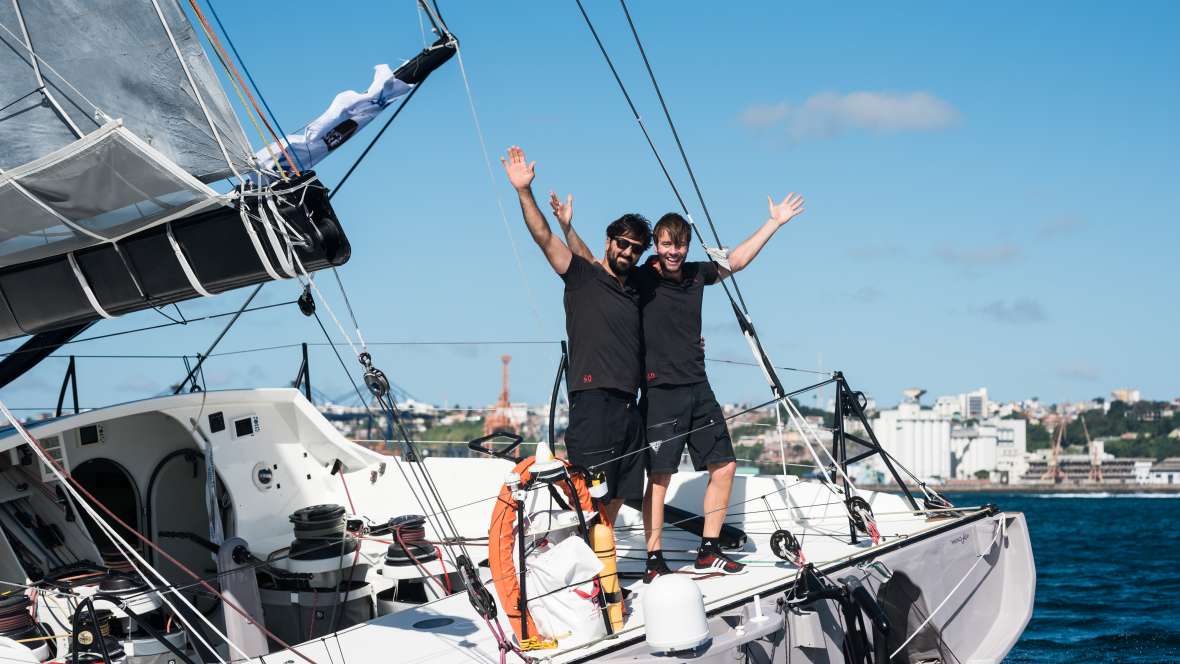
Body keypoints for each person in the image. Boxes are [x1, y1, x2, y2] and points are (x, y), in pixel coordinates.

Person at [556, 193, 805, 580]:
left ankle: (708, 550)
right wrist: (567, 228)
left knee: (724, 466)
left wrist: (774, 222)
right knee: (659, 476)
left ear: (687, 246)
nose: (674, 252)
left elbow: (736, 261)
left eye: (680, 245)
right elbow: (592, 264)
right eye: (667, 244)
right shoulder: (641, 276)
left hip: (698, 386)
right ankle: (654, 559)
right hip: (659, 392)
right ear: (656, 246)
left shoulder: (695, 274)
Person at [500, 146, 651, 524]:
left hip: (628, 406)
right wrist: (524, 191)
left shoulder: (634, 288)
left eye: (636, 248)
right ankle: (590, 572)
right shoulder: (582, 277)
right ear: (609, 241)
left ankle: (605, 567)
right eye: (622, 243)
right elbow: (544, 237)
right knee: (590, 494)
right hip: (593, 401)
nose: (628, 252)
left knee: (621, 492)